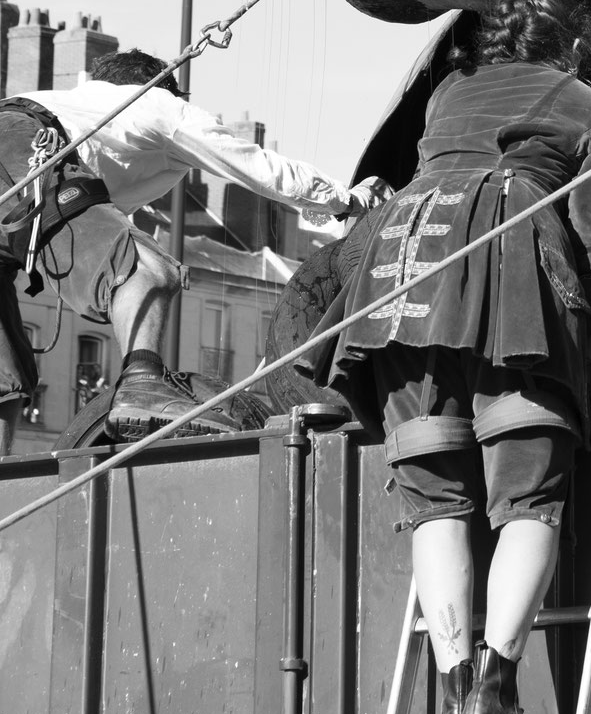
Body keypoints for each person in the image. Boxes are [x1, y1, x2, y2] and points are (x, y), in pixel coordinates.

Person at [317, 0, 591, 714]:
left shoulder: (448, 95)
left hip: (401, 280)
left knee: (436, 502)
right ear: (573, 40)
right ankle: (494, 696)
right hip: (508, 278)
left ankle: (456, 697)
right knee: (528, 490)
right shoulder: (587, 105)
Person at [0, 49, 381, 451]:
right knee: (147, 269)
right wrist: (343, 199)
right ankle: (142, 383)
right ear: (165, 89)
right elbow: (253, 164)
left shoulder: (75, 109)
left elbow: (98, 217)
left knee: (5, 377)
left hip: (18, 176)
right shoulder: (154, 102)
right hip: (24, 147)